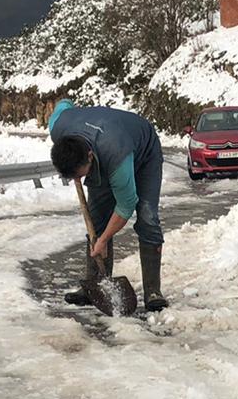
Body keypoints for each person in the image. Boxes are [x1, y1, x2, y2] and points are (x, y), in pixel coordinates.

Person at [47, 99, 167, 312]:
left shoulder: (116, 154)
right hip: (106, 146)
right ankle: (95, 285)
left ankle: (153, 291)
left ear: (90, 157)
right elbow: (64, 104)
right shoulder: (58, 127)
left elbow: (126, 205)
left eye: (80, 174)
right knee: (96, 219)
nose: (79, 179)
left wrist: (102, 240)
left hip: (143, 153)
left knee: (147, 218)